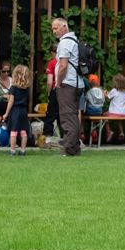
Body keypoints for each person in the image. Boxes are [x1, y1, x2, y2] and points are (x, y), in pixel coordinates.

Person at [50, 16, 86, 156]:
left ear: (64, 26)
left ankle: (70, 149)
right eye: (53, 28)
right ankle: (75, 147)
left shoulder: (64, 43)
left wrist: (58, 82)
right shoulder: (75, 41)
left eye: (56, 27)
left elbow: (63, 66)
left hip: (68, 84)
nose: (54, 31)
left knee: (67, 117)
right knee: (74, 115)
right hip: (78, 83)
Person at [5, 64, 34, 155]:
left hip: (15, 111)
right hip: (23, 111)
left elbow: (11, 101)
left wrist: (6, 113)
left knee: (13, 131)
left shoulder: (13, 88)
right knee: (23, 131)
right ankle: (23, 150)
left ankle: (12, 151)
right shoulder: (26, 88)